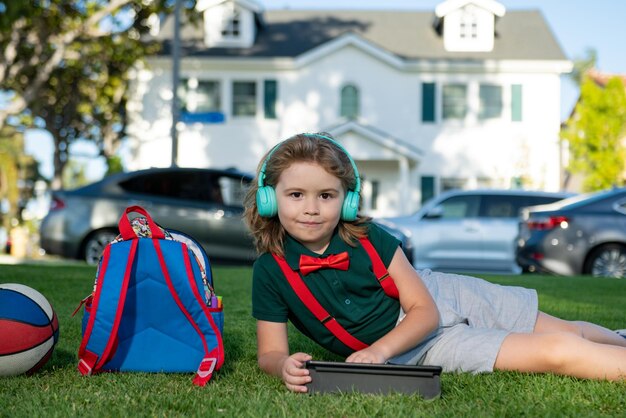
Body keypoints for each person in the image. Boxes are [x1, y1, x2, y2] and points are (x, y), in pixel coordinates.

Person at [243, 132, 626, 393]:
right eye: (295, 194)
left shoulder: (370, 238)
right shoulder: (270, 272)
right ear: (269, 199)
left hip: (440, 295)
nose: (311, 208)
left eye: (326, 195)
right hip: (418, 349)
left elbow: (423, 310)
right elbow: (270, 353)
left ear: (347, 200)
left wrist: (377, 352)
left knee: (567, 329)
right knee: (556, 350)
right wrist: (282, 367)